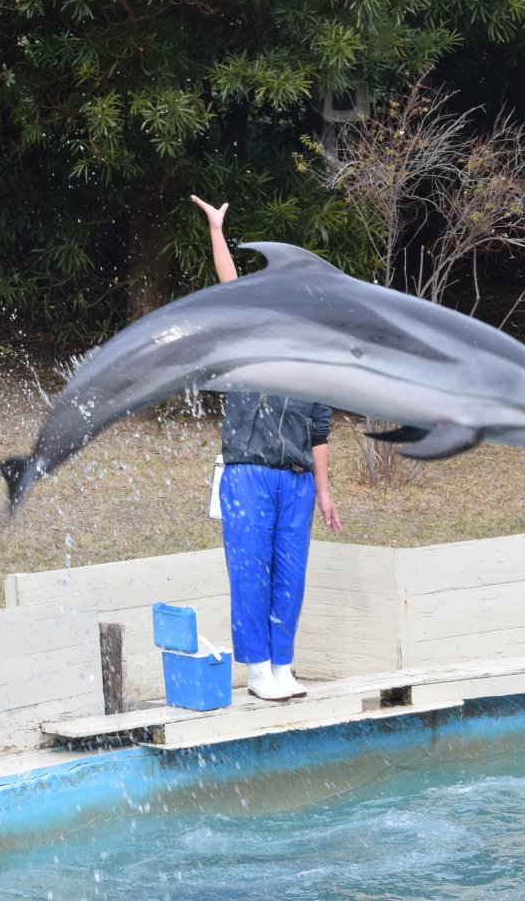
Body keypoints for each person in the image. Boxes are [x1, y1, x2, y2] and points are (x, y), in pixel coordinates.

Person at [190, 194, 343, 701]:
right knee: (250, 569)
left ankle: (283, 664)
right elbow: (229, 285)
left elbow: (319, 429)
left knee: (290, 575)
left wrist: (324, 492)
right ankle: (257, 669)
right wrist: (217, 230)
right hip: (247, 474)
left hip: (296, 481)